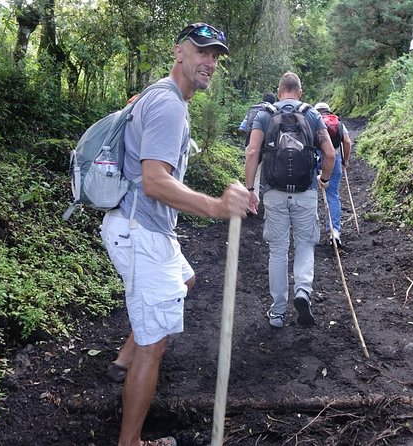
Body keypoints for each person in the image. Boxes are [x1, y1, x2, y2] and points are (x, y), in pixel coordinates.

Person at [99, 22, 249, 446]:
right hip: (139, 230)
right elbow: (155, 182)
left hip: (142, 228)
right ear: (179, 53)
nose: (210, 62)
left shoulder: (158, 95)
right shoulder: (168, 106)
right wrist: (217, 207)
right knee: (155, 344)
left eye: (215, 55)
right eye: (201, 52)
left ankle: (123, 360)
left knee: (185, 279)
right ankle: (130, 442)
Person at [244, 71, 335, 328]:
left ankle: (277, 312)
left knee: (278, 250)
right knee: (305, 243)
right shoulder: (312, 114)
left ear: (279, 88)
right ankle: (303, 291)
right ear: (300, 91)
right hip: (305, 191)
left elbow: (252, 152)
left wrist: (250, 188)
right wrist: (324, 180)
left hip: (274, 192)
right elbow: (329, 153)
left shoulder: (265, 114)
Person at [314, 102, 352, 247]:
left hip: (314, 158)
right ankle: (334, 231)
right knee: (332, 194)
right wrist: (345, 160)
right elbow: (347, 141)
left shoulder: (313, 121)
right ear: (329, 111)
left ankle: (312, 231)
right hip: (334, 157)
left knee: (310, 193)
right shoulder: (338, 123)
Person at [238, 92, 276, 204]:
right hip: (269, 146)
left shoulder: (252, 109)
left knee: (254, 174)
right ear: (273, 101)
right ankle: (269, 203)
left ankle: (252, 203)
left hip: (251, 143)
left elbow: (242, 127)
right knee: (271, 172)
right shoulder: (273, 110)